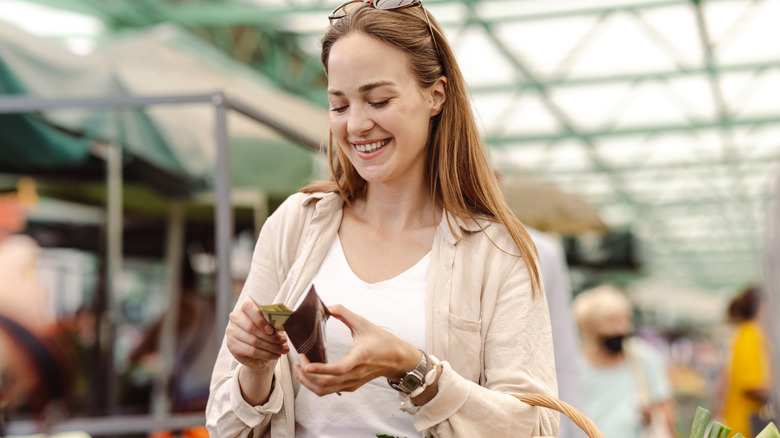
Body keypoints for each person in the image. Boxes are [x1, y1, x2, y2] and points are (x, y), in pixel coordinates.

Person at [205, 1, 559, 436]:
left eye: (378, 100)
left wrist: (414, 370)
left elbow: (537, 426)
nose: (356, 125)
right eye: (339, 106)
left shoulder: (497, 251)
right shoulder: (294, 225)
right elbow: (224, 427)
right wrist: (254, 370)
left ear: (436, 95)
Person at [573, 285, 677, 438]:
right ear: (589, 328)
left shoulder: (642, 358)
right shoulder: (576, 368)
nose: (621, 329)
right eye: (612, 322)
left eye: (624, 320)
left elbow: (666, 412)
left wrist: (651, 416)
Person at [717, 285, 771, 438]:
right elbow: (752, 385)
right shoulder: (751, 336)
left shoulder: (746, 334)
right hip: (743, 429)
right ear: (762, 306)